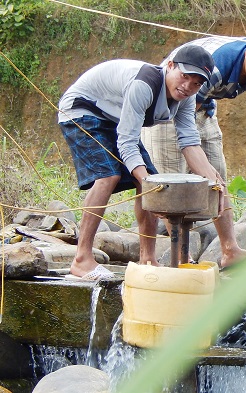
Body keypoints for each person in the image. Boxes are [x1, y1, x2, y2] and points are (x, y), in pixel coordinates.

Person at [141, 28, 246, 269]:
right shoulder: (217, 65)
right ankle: (182, 256)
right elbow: (183, 111)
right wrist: (195, 161)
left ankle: (230, 249)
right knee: (170, 185)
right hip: (168, 109)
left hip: (202, 107)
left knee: (217, 176)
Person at [58, 46, 221, 280]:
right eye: (185, 77)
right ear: (171, 65)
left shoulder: (187, 97)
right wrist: (147, 183)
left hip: (114, 118)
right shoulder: (144, 84)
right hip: (81, 109)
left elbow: (189, 142)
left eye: (196, 83)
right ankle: (82, 259)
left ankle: (148, 258)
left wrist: (214, 181)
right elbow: (127, 142)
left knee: (151, 184)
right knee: (109, 176)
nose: (187, 86)